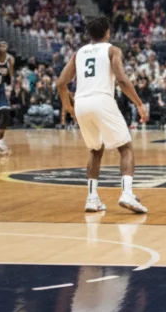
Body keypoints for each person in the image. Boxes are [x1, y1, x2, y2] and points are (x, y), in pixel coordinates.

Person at [56, 15, 149, 214]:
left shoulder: (79, 53)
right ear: (107, 32)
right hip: (102, 99)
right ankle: (127, 193)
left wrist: (69, 107)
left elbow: (61, 83)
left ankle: (92, 198)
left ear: (89, 34)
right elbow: (122, 80)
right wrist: (139, 104)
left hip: (81, 103)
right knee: (125, 147)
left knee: (95, 149)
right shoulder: (112, 50)